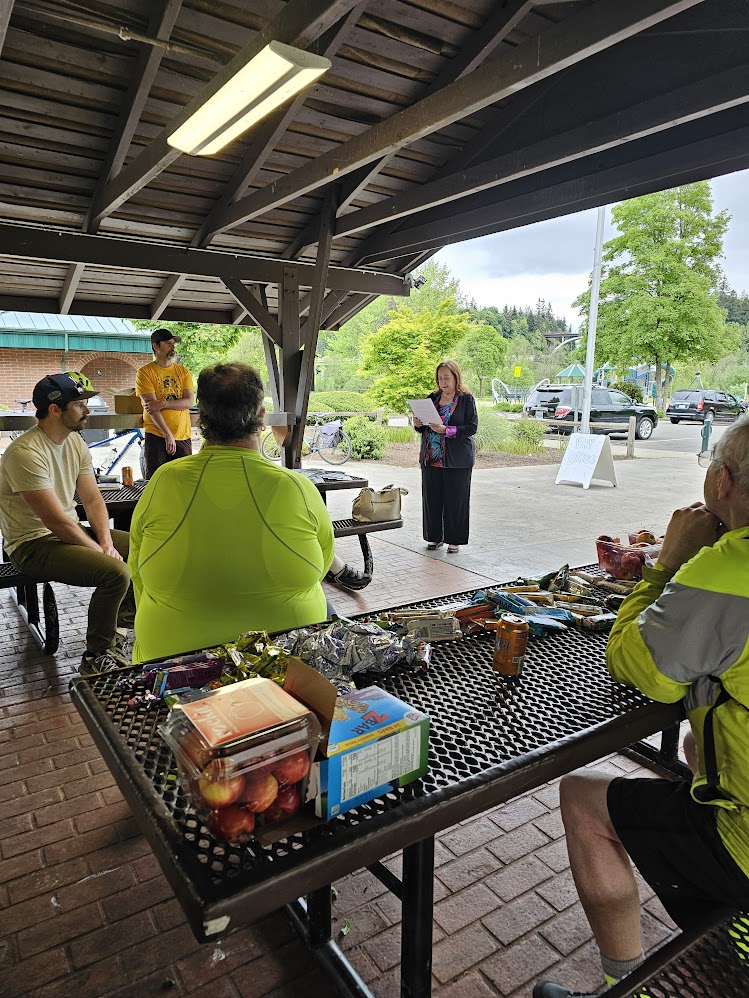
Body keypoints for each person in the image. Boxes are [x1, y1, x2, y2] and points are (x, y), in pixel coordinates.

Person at [534, 417, 749, 998]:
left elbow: (640, 667)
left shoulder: (730, 570)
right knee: (692, 745)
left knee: (582, 798)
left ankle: (628, 984)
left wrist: (663, 568)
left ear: (723, 483)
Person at [128, 362, 335, 664]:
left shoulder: (165, 480)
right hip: (286, 663)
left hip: (174, 664)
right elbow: (323, 560)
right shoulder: (296, 487)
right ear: (261, 416)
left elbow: (137, 566)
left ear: (200, 418)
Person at [0, 372, 134, 675]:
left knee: (143, 546)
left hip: (68, 532)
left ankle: (120, 628)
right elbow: (55, 521)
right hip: (32, 545)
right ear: (55, 410)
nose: (87, 410)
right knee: (115, 572)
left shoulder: (74, 442)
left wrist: (107, 542)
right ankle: (97, 655)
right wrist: (101, 552)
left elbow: (93, 499)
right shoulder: (24, 453)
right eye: (79, 404)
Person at [413, 360, 477, 554]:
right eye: (440, 378)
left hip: (457, 460)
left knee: (456, 500)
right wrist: (417, 423)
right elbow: (421, 428)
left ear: (456, 377)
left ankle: (454, 540)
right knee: (431, 499)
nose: (443, 382)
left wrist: (446, 430)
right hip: (431, 458)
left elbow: (471, 427)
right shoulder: (431, 398)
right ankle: (433, 537)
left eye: (447, 378)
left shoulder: (466, 399)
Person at [136, 328, 195, 479]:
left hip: (182, 434)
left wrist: (162, 404)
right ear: (156, 346)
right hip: (156, 435)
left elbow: (188, 402)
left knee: (184, 482)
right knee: (156, 481)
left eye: (173, 344)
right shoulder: (144, 372)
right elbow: (151, 408)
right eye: (168, 343)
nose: (173, 347)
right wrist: (167, 434)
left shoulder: (183, 372)